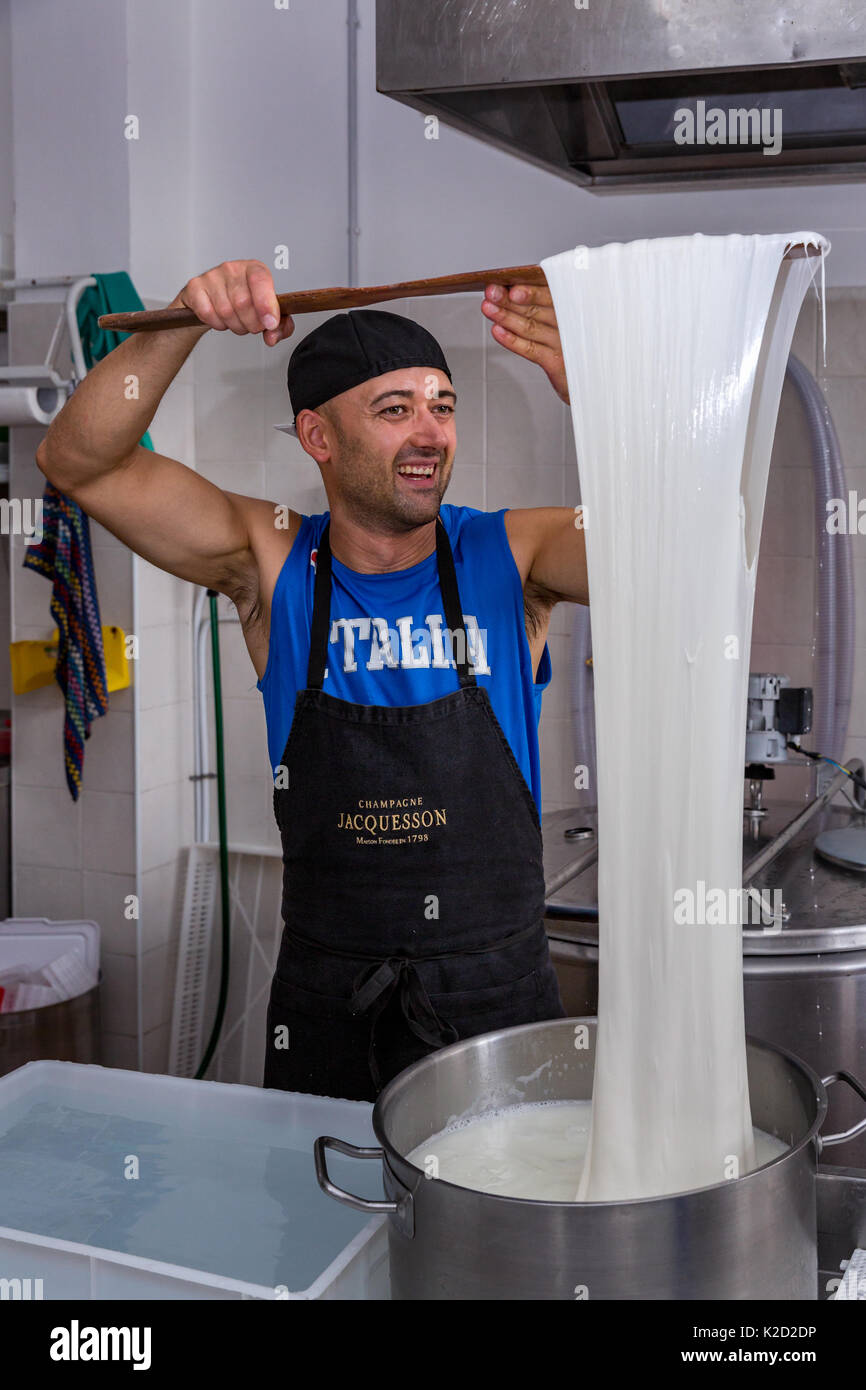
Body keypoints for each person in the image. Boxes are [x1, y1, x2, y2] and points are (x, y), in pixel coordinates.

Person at [37, 259, 589, 1101]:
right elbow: (81, 464)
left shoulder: (513, 553)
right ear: (318, 437)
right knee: (321, 1222)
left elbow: (687, 542)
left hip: (497, 993)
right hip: (329, 1004)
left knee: (501, 1222)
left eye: (442, 406)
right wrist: (185, 318)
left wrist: (598, 395)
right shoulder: (275, 556)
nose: (431, 433)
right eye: (394, 409)